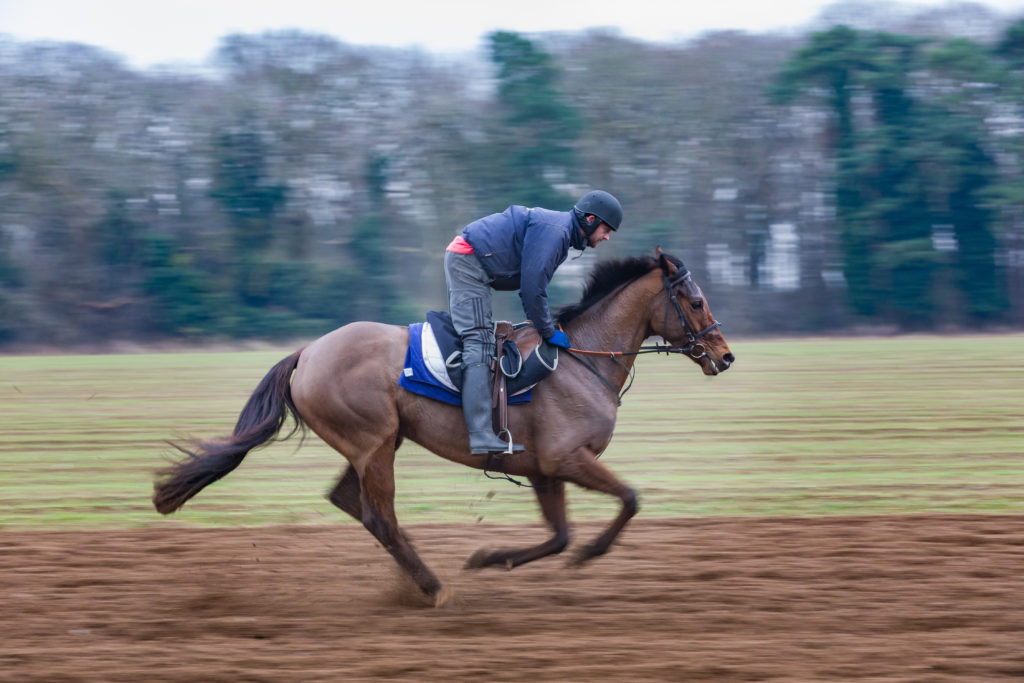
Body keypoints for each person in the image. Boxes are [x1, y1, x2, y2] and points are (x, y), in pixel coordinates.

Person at [444, 190, 623, 455]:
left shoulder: (561, 234)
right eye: (606, 229)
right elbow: (532, 289)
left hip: (477, 263)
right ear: (589, 219)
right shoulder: (557, 233)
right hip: (468, 261)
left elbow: (533, 287)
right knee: (478, 341)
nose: (607, 237)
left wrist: (543, 324)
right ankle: (480, 434)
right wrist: (547, 329)